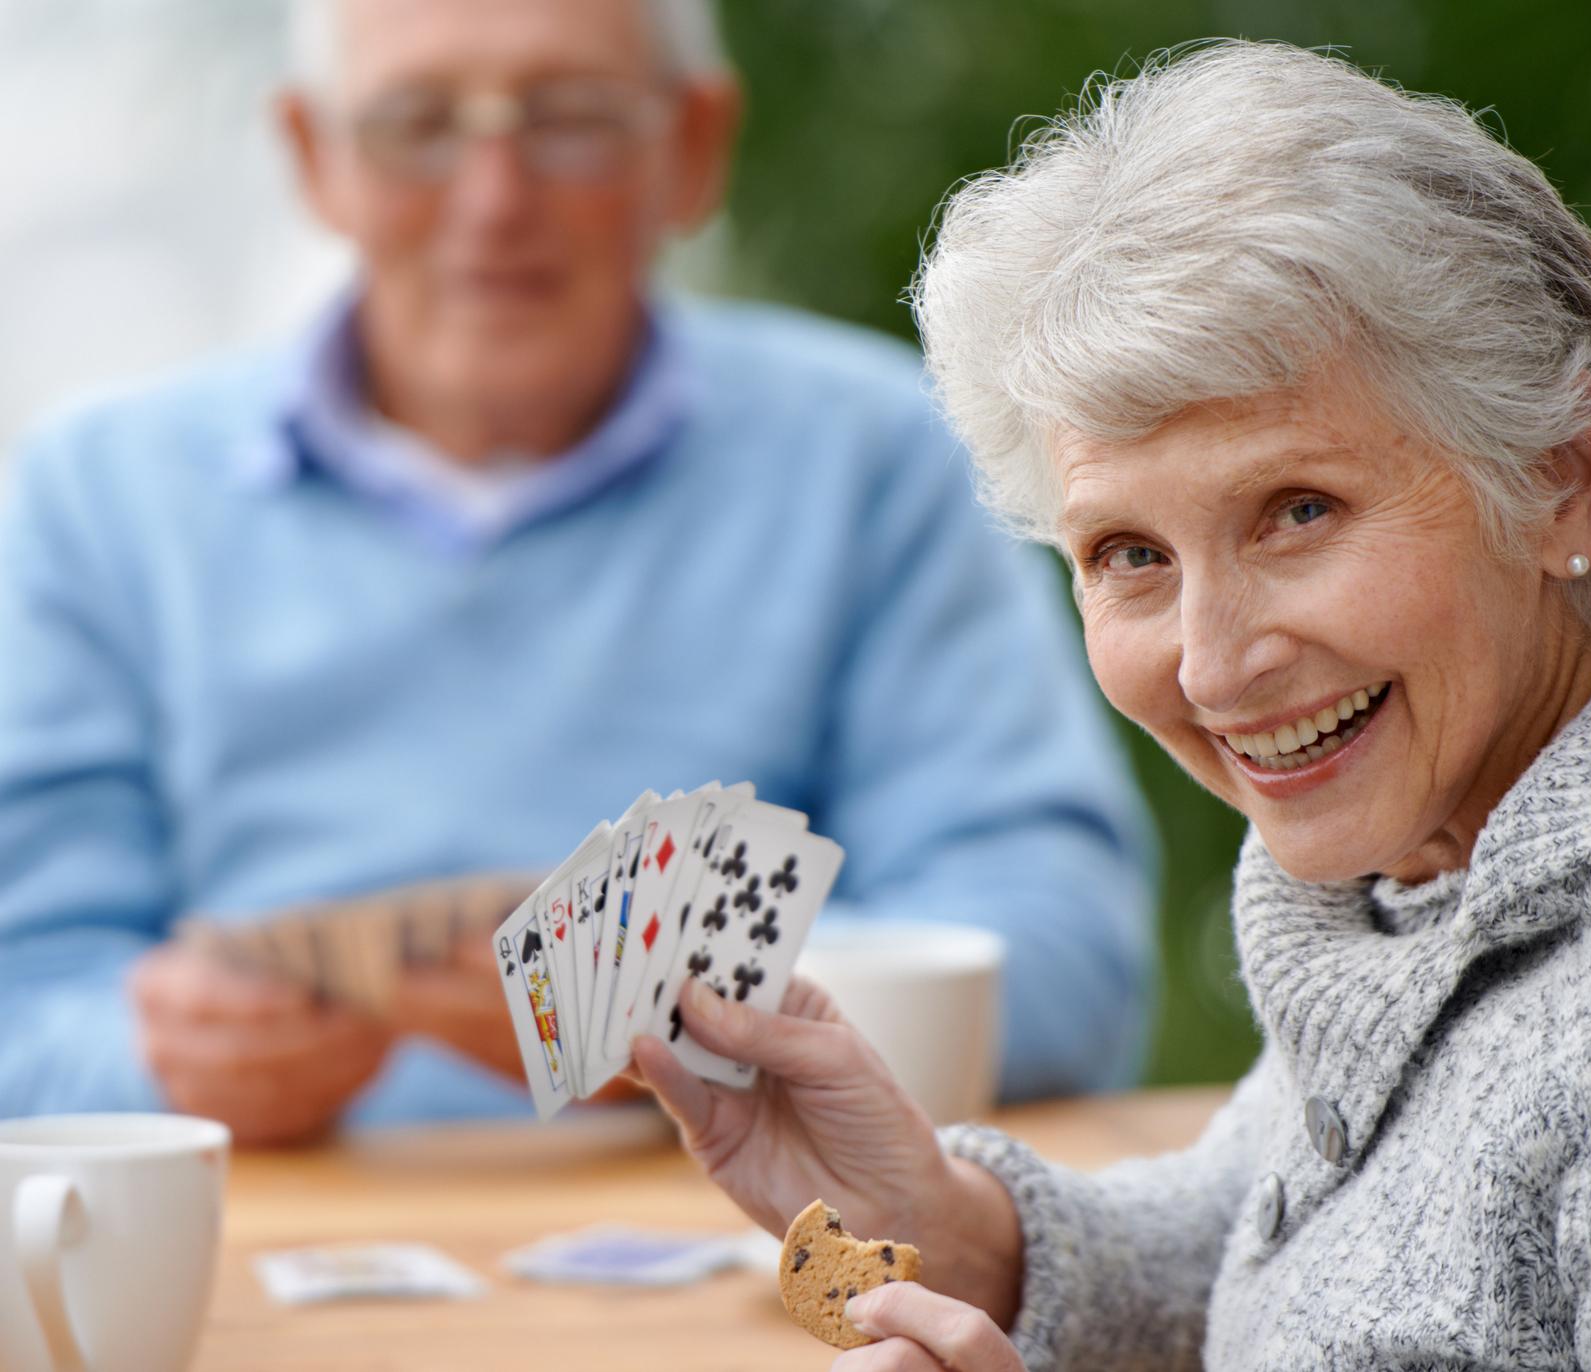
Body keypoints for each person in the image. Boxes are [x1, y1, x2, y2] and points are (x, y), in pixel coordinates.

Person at [630, 41, 1591, 1370]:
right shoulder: (1451, 835)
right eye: (1130, 556)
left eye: (1299, 512)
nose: (1212, 669)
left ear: (1562, 480)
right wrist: (957, 1226)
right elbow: (1295, 1241)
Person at [0, 0, 1156, 1143]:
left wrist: (704, 1012)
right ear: (316, 156)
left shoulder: (875, 458)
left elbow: (1063, 957)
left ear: (693, 145)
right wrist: (149, 1062)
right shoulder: (97, 499)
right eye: (417, 122)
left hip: (748, 1278)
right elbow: (24, 992)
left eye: (571, 119)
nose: (494, 202)